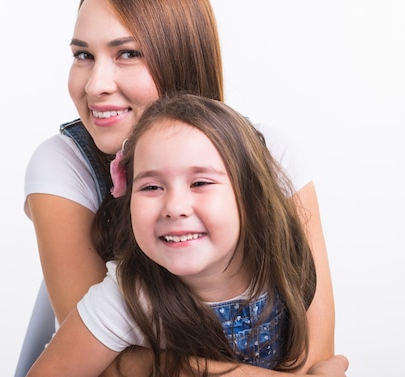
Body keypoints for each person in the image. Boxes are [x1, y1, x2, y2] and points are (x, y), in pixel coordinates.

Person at [17, 0, 345, 377]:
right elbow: (107, 367)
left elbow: (316, 355)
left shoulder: (272, 152)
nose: (94, 84)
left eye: (128, 53)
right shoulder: (62, 165)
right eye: (83, 55)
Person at [26, 94, 318, 377]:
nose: (174, 207)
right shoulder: (129, 296)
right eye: (151, 187)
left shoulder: (283, 263)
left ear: (252, 198)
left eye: (200, 183)